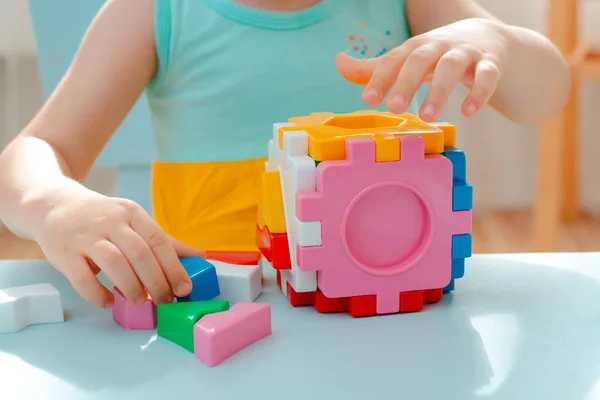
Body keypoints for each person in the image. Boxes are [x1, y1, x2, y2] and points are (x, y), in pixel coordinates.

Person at [0, 0, 569, 309]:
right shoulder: (152, 10)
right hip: (210, 309)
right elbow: (37, 150)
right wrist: (53, 204)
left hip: (386, 310)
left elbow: (547, 94)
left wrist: (497, 42)